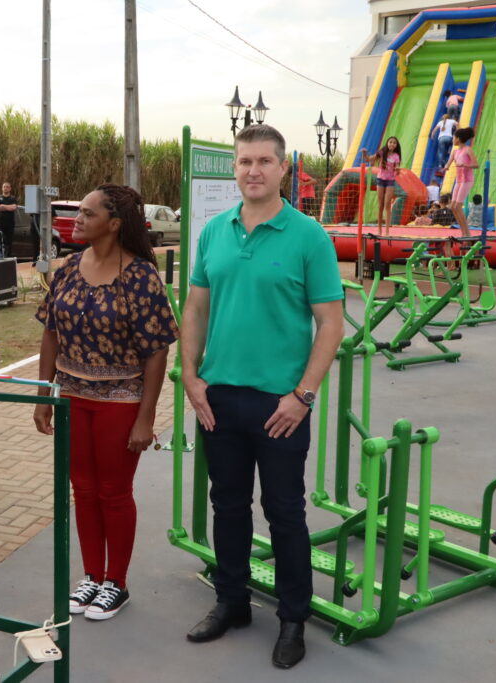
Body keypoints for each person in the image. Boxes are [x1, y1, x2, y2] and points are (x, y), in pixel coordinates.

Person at [180, 124, 344, 669]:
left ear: (282, 168)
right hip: (219, 397)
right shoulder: (215, 232)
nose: (253, 170)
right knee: (227, 505)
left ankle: (294, 618)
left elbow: (331, 324)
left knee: (284, 512)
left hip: (281, 405)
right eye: (245, 161)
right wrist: (190, 375)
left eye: (264, 161)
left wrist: (304, 395)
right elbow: (196, 308)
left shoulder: (309, 237)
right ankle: (232, 601)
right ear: (235, 167)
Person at [33, 184, 178, 621]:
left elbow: (157, 352)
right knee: (83, 490)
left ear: (114, 224)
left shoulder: (140, 277)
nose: (77, 219)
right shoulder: (68, 268)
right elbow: (50, 333)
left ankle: (117, 581)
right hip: (71, 398)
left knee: (113, 492)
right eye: (78, 212)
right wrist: (44, 395)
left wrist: (145, 419)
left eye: (87, 213)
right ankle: (92, 575)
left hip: (120, 401)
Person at [444, 127, 478, 237]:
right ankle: (463, 231)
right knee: (453, 207)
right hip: (459, 181)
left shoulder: (468, 150)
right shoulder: (455, 152)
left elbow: (476, 164)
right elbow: (449, 162)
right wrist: (446, 167)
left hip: (467, 180)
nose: (453, 139)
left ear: (458, 138)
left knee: (458, 206)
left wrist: (465, 165)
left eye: (454, 137)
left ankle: (466, 232)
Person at [364, 136, 402, 232]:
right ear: (387, 143)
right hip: (380, 180)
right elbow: (369, 159)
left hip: (390, 181)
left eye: (394, 143)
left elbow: (397, 168)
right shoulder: (381, 152)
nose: (392, 144)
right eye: (390, 142)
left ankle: (387, 230)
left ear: (396, 145)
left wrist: (397, 170)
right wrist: (365, 154)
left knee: (387, 204)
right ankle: (379, 229)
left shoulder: (396, 156)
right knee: (380, 205)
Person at [0, 182, 18, 258]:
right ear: (2, 188)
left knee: (9, 242)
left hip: (10, 224)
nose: (5, 188)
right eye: (4, 187)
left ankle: (9, 257)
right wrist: (7, 207)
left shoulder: (13, 198)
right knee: (1, 241)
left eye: (7, 187)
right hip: (0, 223)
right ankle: (1, 257)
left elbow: (13, 208)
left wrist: (2, 206)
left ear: (10, 188)